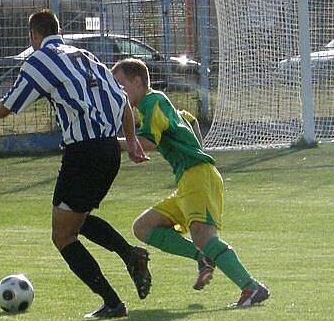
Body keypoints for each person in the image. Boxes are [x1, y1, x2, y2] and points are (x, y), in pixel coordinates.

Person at [0, 8, 151, 320]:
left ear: (33, 36)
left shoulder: (40, 59)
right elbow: (124, 102)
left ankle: (114, 297)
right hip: (109, 151)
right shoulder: (87, 57)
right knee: (77, 221)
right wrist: (132, 140)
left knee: (63, 236)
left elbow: (11, 105)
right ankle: (130, 257)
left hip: (83, 152)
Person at [111, 58, 270, 308]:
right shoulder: (157, 105)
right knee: (143, 227)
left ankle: (250, 287)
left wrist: (108, 144)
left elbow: (149, 142)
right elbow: (191, 121)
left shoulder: (152, 101)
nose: (119, 92)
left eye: (121, 85)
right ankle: (201, 258)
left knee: (205, 238)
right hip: (189, 180)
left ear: (138, 81)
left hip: (197, 175)